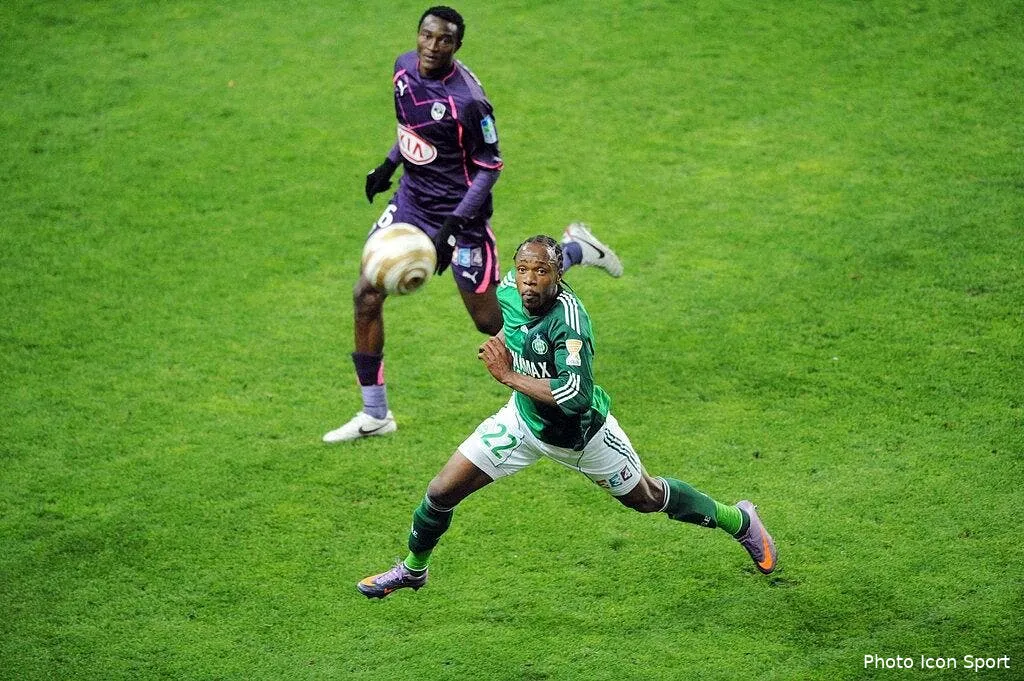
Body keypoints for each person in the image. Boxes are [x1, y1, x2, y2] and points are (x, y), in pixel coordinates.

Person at [356, 235, 778, 598]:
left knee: (649, 499)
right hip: (522, 424)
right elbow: (509, 322)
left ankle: (740, 520)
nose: (528, 281)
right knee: (441, 491)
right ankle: (413, 569)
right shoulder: (511, 290)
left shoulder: (570, 323)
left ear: (558, 275)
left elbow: (575, 396)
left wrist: (508, 374)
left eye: (540, 272)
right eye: (523, 270)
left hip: (581, 439)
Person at [323, 6, 623, 444]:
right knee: (366, 292)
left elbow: (489, 166)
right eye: (426, 35)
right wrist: (388, 164)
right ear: (418, 35)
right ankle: (375, 414)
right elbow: (411, 127)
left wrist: (454, 224)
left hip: (463, 218)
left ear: (457, 46)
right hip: (411, 202)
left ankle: (573, 249)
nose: (432, 46)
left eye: (444, 40)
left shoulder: (469, 101)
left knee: (490, 321)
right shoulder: (402, 69)